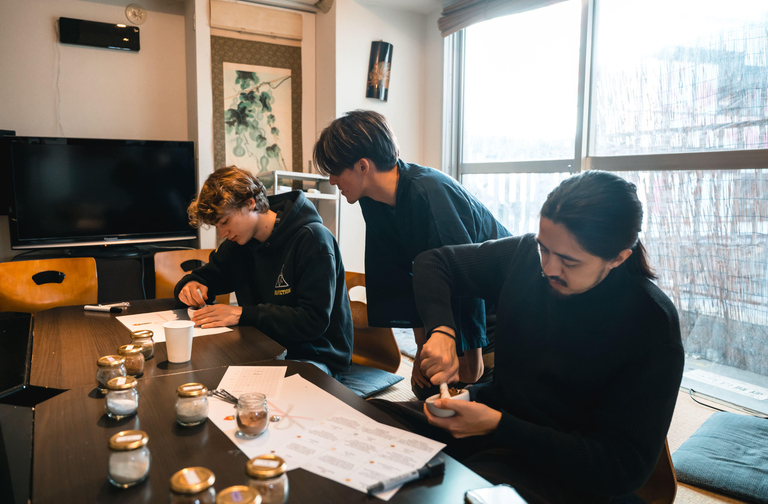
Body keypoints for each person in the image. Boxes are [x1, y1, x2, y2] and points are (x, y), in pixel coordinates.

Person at [377, 171, 684, 503]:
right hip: (493, 422)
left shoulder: (650, 323)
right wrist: (442, 330)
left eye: (568, 261)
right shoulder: (525, 258)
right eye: (544, 249)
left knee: (453, 494)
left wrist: (499, 426)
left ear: (618, 258)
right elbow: (434, 264)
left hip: (562, 469)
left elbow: (620, 468)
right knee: (372, 422)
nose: (548, 268)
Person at [313, 110, 511, 397]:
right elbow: (398, 279)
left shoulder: (430, 193)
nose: (332, 180)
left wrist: (472, 363)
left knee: (468, 402)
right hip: (447, 313)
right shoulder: (373, 201)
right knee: (424, 392)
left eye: (335, 170)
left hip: (495, 312)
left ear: (363, 166)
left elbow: (465, 280)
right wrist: (421, 349)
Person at [174, 166, 353, 378]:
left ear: (250, 203)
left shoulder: (312, 239)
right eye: (217, 226)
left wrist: (243, 313)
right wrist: (190, 285)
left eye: (225, 222)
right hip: (265, 344)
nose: (223, 233)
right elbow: (208, 276)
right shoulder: (238, 245)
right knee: (202, 372)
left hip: (316, 355)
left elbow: (312, 321)